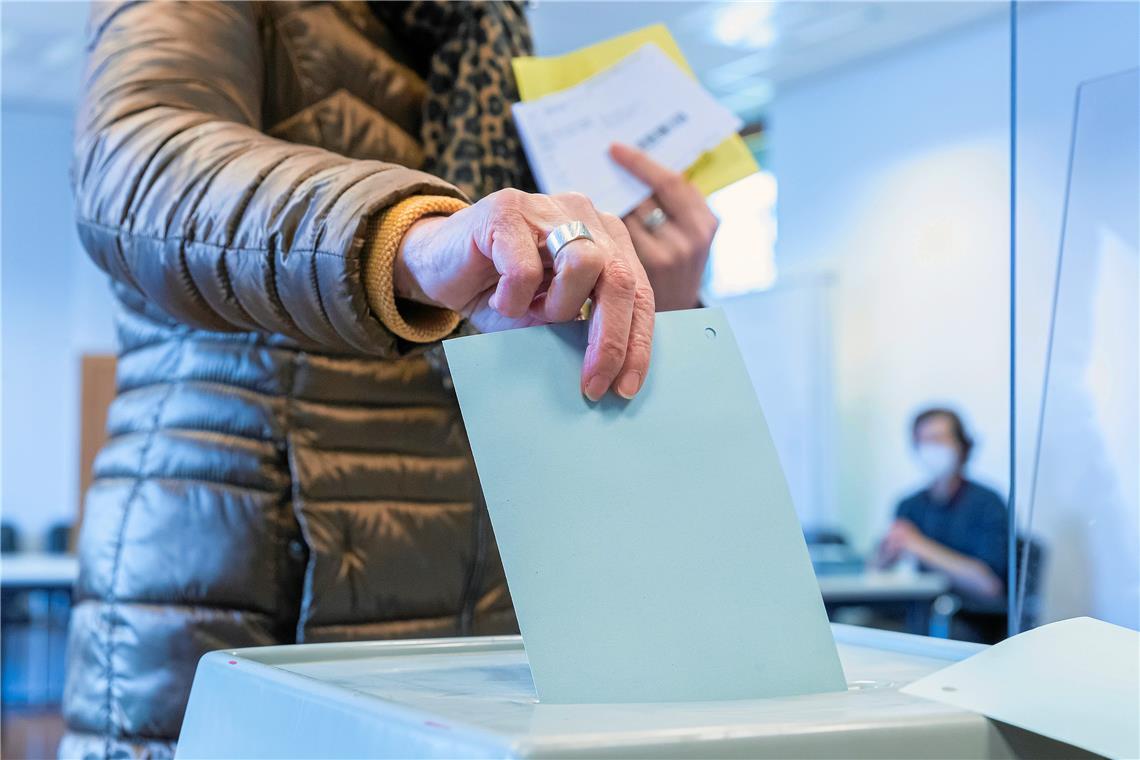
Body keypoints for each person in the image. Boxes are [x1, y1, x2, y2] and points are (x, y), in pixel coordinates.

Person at [62, 2, 718, 756]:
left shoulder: (488, 32)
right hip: (249, 564)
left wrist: (641, 307)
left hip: (480, 583)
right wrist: (412, 234)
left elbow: (509, 315)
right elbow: (144, 162)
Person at [874, 408, 1009, 641]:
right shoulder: (910, 504)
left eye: (938, 439)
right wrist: (887, 553)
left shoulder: (987, 502)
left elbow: (989, 586)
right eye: (923, 441)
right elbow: (875, 571)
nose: (931, 448)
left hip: (968, 619)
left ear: (962, 445)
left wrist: (919, 546)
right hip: (922, 613)